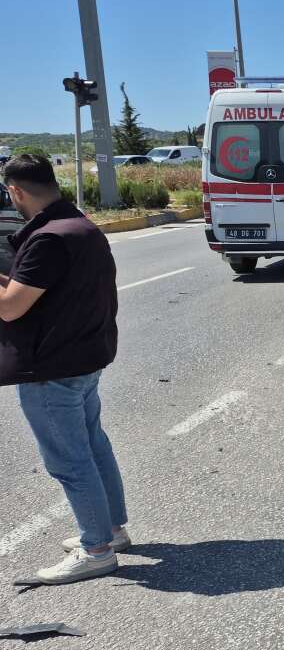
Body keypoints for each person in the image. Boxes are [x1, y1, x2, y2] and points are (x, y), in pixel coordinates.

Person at [0, 154, 126, 584]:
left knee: (70, 461)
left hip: (52, 368)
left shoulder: (48, 239)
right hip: (83, 359)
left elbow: (12, 307)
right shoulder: (79, 226)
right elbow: (28, 290)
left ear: (16, 191)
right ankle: (112, 528)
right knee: (92, 445)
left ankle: (97, 550)